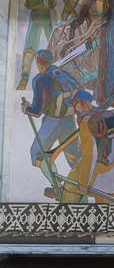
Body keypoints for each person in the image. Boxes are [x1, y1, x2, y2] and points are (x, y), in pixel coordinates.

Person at [21, 49, 83, 201]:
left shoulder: (39, 80)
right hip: (69, 120)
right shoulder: (63, 74)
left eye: (37, 62)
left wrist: (25, 108)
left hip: (53, 121)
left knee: (37, 153)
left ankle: (59, 189)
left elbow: (37, 111)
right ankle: (82, 185)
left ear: (39, 62)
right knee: (74, 156)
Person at [60, 90, 114, 203]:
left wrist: (84, 182)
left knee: (69, 187)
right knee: (107, 202)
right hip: (109, 167)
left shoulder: (85, 122)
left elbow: (89, 154)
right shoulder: (102, 115)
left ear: (82, 103)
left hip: (96, 169)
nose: (73, 107)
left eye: (75, 103)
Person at [17, 0, 68, 90]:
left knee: (30, 46)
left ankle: (24, 78)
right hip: (49, 14)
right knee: (53, 46)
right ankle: (55, 79)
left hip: (34, 13)